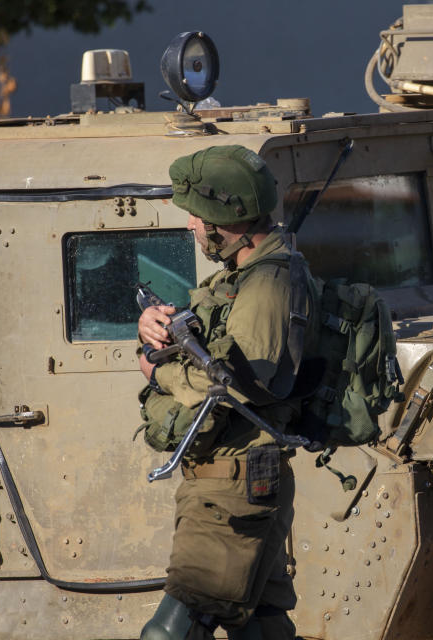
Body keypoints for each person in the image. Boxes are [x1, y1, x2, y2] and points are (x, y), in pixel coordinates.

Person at [136, 145, 314, 640]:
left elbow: (238, 382)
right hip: (242, 474)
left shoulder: (270, 283)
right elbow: (219, 347)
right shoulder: (246, 275)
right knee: (260, 626)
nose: (192, 226)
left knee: (170, 633)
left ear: (225, 219)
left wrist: (155, 371)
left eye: (198, 215)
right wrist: (156, 331)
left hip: (234, 484)